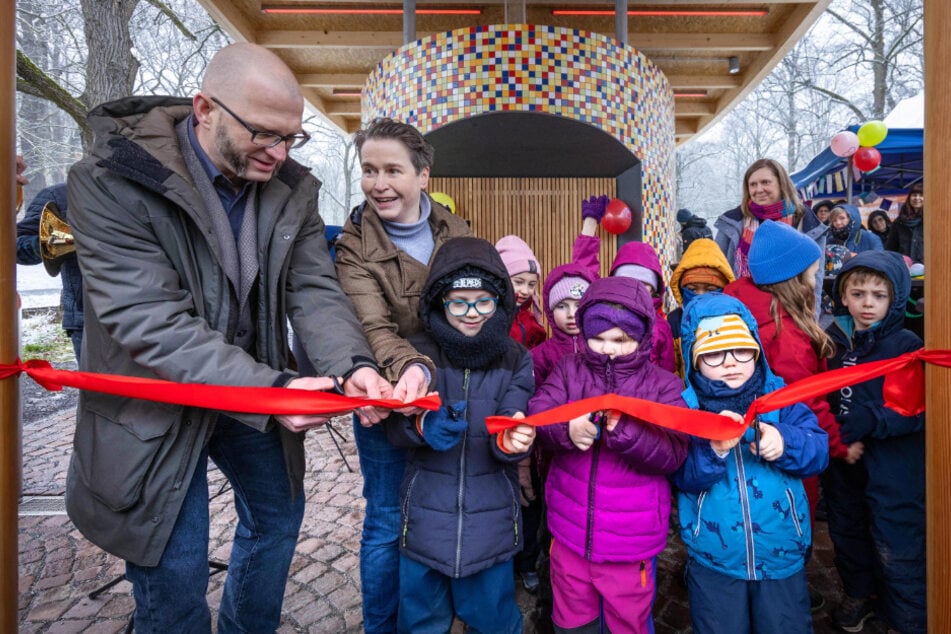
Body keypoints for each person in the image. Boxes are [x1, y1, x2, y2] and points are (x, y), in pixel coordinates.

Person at [65, 42, 392, 632]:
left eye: (292, 137)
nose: (280, 152)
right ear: (204, 109)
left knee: (277, 516)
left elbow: (313, 290)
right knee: (175, 561)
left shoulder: (291, 187)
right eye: (264, 134)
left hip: (250, 388)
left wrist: (352, 364)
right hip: (154, 403)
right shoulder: (108, 181)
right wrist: (273, 389)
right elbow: (149, 322)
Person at [331, 117, 472, 632]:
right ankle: (382, 624)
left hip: (455, 392)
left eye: (393, 170)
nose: (379, 183)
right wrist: (412, 367)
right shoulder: (352, 247)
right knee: (388, 518)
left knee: (451, 501)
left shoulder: (458, 232)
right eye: (369, 170)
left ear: (423, 176)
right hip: (388, 391)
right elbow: (373, 327)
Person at [383, 236, 536, 633]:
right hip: (424, 520)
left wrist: (511, 440)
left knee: (495, 619)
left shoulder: (516, 358)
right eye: (458, 303)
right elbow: (394, 424)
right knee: (421, 621)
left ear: (500, 303)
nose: (471, 314)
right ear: (439, 301)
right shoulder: (416, 354)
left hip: (492, 523)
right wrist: (421, 426)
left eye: (484, 302)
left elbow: (514, 411)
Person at [529, 276, 689, 634]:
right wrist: (566, 429)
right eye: (597, 338)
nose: (608, 349)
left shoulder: (663, 385)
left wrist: (629, 434)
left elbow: (675, 452)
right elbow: (539, 414)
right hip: (569, 533)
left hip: (631, 543)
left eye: (621, 340)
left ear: (643, 337)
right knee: (573, 620)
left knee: (627, 621)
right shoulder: (569, 371)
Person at [673, 292, 829, 634]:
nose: (730, 362)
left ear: (756, 350)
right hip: (715, 559)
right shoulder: (687, 413)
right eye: (714, 353)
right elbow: (681, 476)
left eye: (741, 350)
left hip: (781, 552)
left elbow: (819, 449)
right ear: (693, 359)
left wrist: (784, 442)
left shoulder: (781, 400)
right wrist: (713, 452)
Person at [723, 221, 850, 611]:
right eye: (812, 275)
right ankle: (782, 591)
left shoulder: (739, 309)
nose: (816, 282)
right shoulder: (788, 338)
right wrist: (839, 446)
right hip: (785, 451)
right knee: (790, 522)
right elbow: (808, 404)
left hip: (741, 449)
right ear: (793, 280)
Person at [823, 251, 925, 634]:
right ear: (843, 296)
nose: (867, 303)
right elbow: (822, 394)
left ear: (895, 298)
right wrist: (836, 434)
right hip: (845, 461)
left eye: (879, 295)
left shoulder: (905, 344)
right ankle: (858, 593)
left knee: (895, 535)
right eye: (858, 293)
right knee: (848, 529)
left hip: (891, 465)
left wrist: (872, 420)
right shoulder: (834, 339)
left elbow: (917, 409)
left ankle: (905, 614)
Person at [714, 158, 828, 309]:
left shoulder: (806, 222)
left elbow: (816, 281)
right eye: (752, 184)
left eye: (765, 182)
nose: (759, 189)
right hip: (740, 312)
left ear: (781, 184)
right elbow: (717, 273)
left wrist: (811, 321)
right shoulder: (733, 222)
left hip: (790, 311)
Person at [16, 183, 85, 361]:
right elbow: (14, 245)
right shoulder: (59, 195)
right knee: (99, 387)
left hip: (152, 312)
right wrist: (52, 244)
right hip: (85, 317)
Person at [667, 237, 735, 377]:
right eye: (692, 289)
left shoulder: (734, 320)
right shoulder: (674, 321)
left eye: (710, 289)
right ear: (681, 289)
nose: (700, 295)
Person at [496, 234, 547, 349]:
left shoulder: (531, 321)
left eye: (531, 284)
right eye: (518, 282)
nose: (525, 291)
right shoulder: (489, 318)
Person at [885, 182, 924, 264]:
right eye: (914, 195)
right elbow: (890, 248)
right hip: (904, 266)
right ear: (909, 198)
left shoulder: (931, 221)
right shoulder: (899, 222)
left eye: (921, 195)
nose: (917, 198)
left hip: (927, 267)